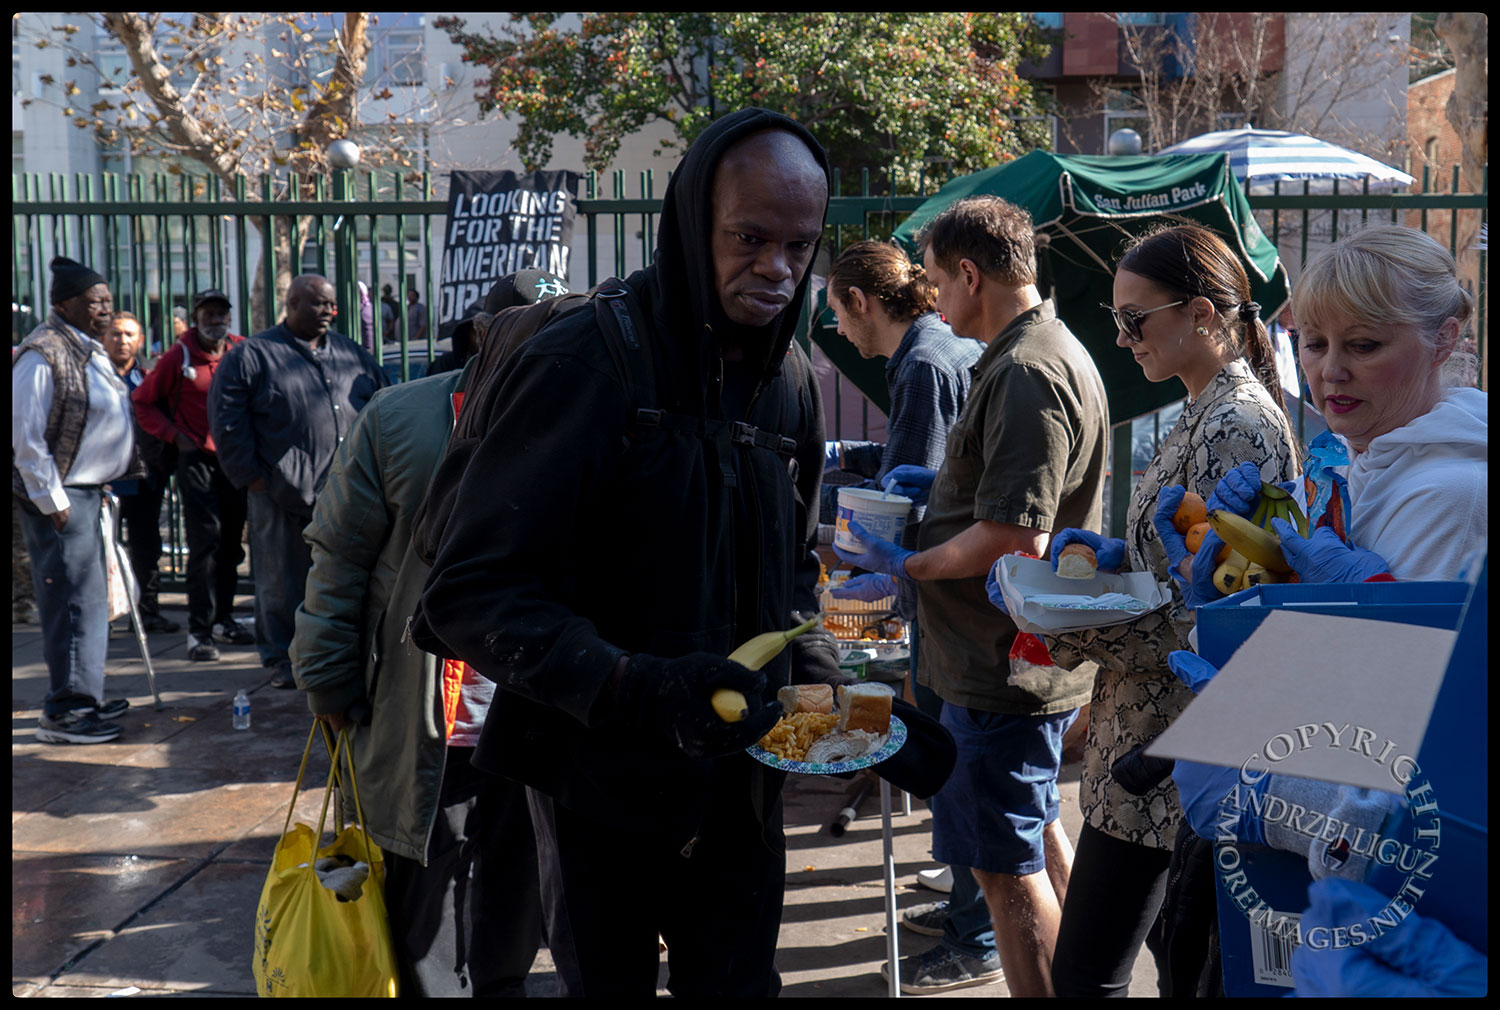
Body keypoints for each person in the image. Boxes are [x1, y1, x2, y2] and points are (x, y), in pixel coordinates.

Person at [416, 108, 842, 998]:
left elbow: (792, 573)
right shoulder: (584, 361)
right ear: (694, 222)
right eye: (749, 238)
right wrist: (631, 687)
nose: (776, 269)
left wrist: (834, 694)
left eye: (799, 248)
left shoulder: (792, 380)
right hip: (591, 789)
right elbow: (470, 590)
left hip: (737, 796)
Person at [990, 225, 1299, 998]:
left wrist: (1060, 616)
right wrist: (1108, 560)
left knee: (1092, 974)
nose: (1121, 339)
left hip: (1173, 753)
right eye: (1116, 319)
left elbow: (1225, 620)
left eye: (1135, 320)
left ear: (1199, 313)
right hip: (1146, 741)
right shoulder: (1204, 407)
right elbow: (1181, 570)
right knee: (1161, 968)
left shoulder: (1238, 424)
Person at [835, 195, 1111, 997]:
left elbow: (1012, 537)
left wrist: (909, 564)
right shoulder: (1022, 351)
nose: (928, 298)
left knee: (1005, 879)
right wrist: (937, 496)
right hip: (1007, 660)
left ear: (969, 273)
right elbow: (1001, 500)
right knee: (1032, 848)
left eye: (933, 281)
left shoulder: (1027, 368)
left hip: (1001, 668)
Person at [289, 274, 569, 994]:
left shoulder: (580, 417)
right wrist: (326, 677)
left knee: (517, 883)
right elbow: (339, 556)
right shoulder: (400, 417)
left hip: (535, 705)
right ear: (482, 333)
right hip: (425, 710)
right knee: (423, 883)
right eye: (528, 329)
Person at [820, 240, 993, 992]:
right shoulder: (933, 349)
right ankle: (963, 898)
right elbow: (911, 459)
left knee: (958, 756)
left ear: (861, 301)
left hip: (947, 591)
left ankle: (974, 928)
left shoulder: (924, 361)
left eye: (837, 313)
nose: (839, 332)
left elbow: (910, 497)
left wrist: (860, 570)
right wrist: (847, 457)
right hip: (956, 586)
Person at [209, 274, 387, 689]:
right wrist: (254, 479)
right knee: (279, 579)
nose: (328, 311)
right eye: (319, 304)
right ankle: (280, 657)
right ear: (291, 303)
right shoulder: (253, 354)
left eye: (331, 305)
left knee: (339, 577)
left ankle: (336, 652)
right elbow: (227, 421)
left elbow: (382, 401)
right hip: (279, 493)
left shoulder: (350, 353)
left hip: (345, 493)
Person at [12, 256, 143, 743]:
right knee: (69, 603)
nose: (106, 310)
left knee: (90, 604)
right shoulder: (42, 353)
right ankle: (65, 710)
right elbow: (26, 438)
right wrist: (55, 501)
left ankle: (84, 696)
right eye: (94, 303)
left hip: (87, 492)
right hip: (61, 500)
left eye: (108, 301)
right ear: (64, 304)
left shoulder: (88, 348)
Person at [133, 289, 254, 662]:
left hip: (234, 461)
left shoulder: (241, 350)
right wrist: (175, 436)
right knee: (205, 543)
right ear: (197, 318)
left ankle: (224, 618)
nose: (215, 320)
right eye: (209, 314)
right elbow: (143, 401)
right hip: (196, 460)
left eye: (222, 313)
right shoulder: (179, 356)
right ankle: (199, 631)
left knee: (233, 544)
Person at [102, 311, 179, 635]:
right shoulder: (92, 373)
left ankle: (147, 611)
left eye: (129, 334)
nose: (122, 340)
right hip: (101, 479)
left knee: (145, 546)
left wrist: (160, 464)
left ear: (140, 340)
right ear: (105, 337)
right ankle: (101, 616)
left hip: (143, 476)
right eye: (116, 334)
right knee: (99, 548)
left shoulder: (150, 375)